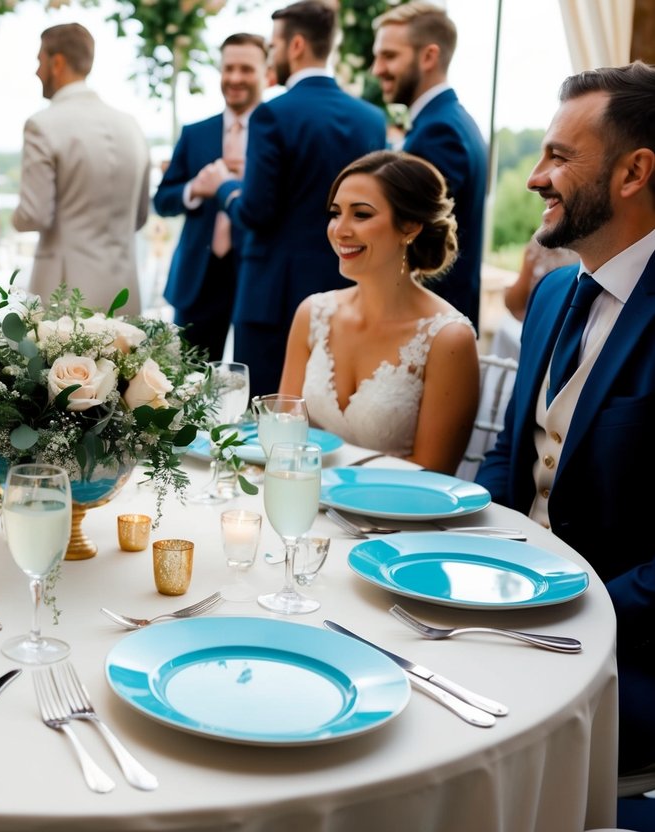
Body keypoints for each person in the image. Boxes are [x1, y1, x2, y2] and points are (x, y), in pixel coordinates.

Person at [476, 61, 655, 778]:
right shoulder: (551, 294)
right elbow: (507, 455)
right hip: (505, 611)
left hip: (623, 652)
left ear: (633, 172)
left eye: (558, 156)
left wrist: (567, 612)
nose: (533, 178)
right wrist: (452, 554)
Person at [196, 0, 387, 397]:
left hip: (271, 300)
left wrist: (226, 188)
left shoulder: (273, 114)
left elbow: (257, 212)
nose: (272, 56)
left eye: (274, 46)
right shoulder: (369, 118)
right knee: (327, 407)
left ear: (296, 45)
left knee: (266, 413)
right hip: (345, 290)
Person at [279, 150, 478, 474]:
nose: (340, 230)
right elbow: (284, 435)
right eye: (335, 212)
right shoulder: (312, 314)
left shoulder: (447, 338)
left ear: (410, 227)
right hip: (305, 505)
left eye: (361, 215)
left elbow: (434, 474)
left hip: (397, 519)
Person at [12, 23, 150, 315]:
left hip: (66, 297)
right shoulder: (131, 125)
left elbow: (33, 214)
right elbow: (139, 218)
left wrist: (14, 217)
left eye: (40, 61)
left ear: (57, 62)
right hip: (124, 293)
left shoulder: (42, 124)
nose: (37, 71)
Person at [372, 1, 488, 328]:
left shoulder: (440, 132)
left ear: (428, 56)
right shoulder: (451, 121)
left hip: (428, 321)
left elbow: (410, 232)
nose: (376, 69)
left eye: (389, 56)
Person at [153, 33, 267, 362]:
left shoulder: (278, 132)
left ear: (266, 73)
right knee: (187, 382)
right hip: (198, 277)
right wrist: (195, 189)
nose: (235, 78)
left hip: (255, 273)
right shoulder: (195, 133)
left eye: (246, 69)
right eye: (228, 68)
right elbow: (163, 200)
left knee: (256, 381)